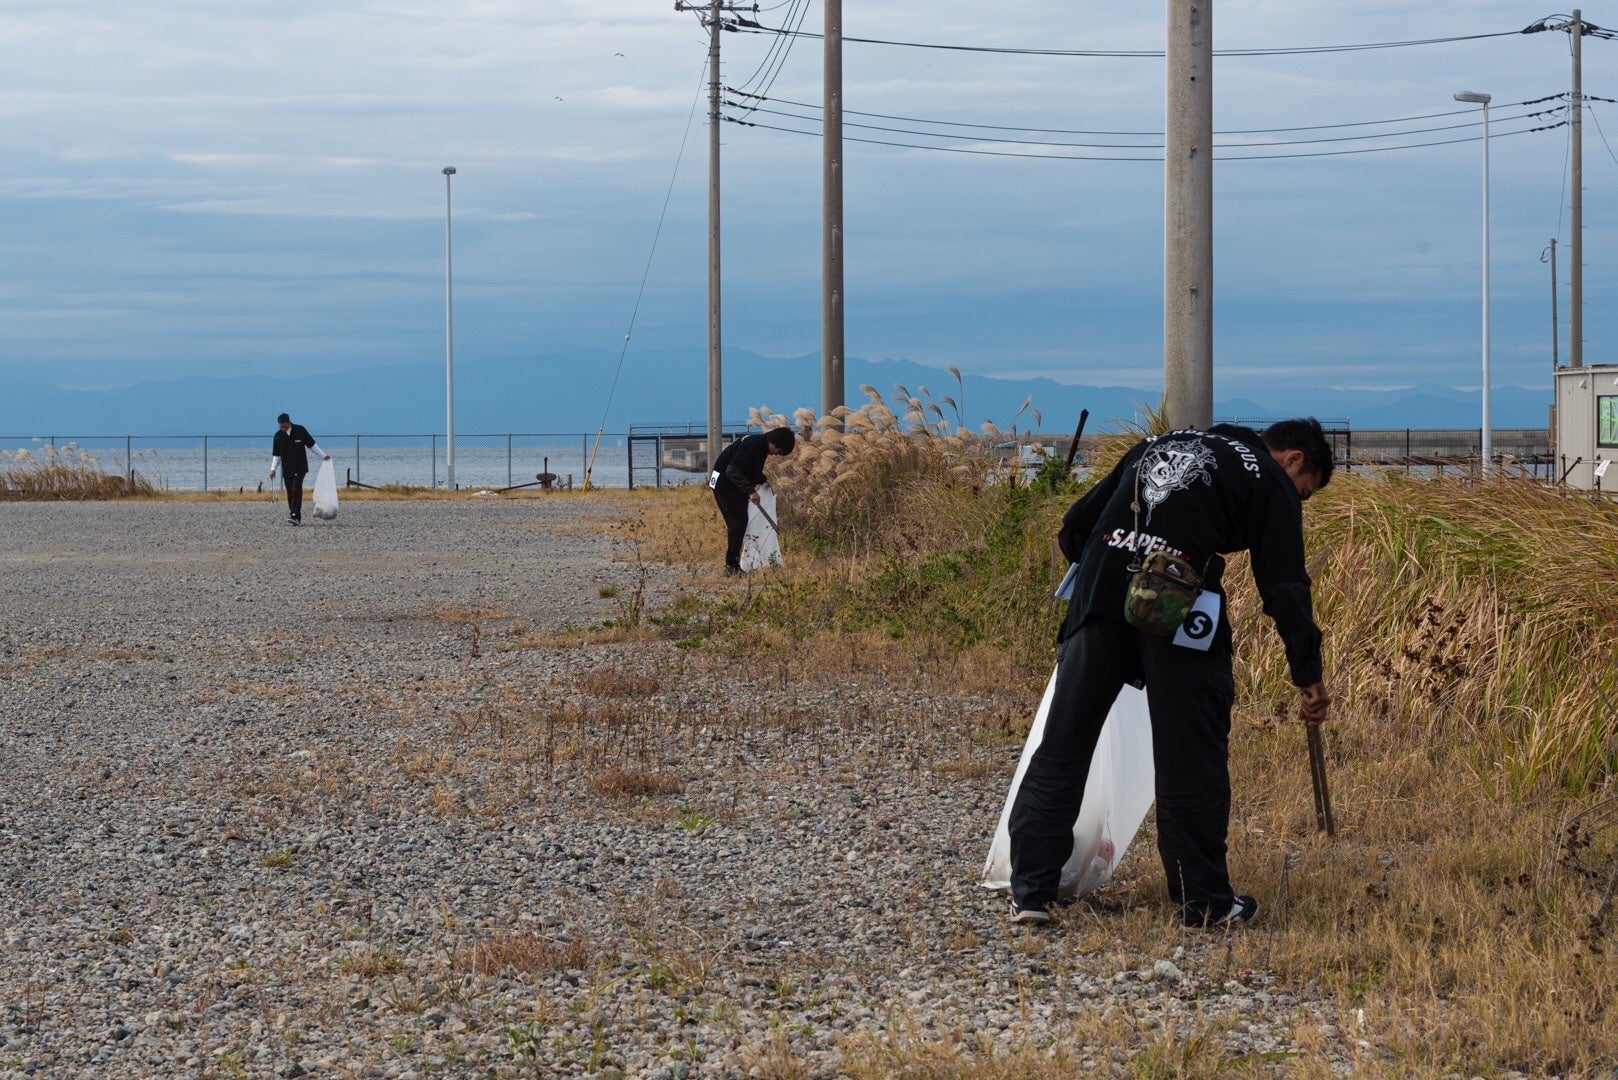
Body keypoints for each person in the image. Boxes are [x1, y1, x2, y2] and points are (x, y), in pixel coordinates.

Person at [1007, 418, 1334, 928]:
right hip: (1178, 607)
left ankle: (1031, 891)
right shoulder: (1269, 480)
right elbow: (1284, 585)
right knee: (1190, 756)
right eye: (1305, 491)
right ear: (1293, 460)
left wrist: (1116, 560)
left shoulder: (1160, 441)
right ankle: (1203, 901)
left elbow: (1074, 526)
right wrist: (1307, 673)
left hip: (1098, 597)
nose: (1299, 499)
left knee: (1064, 744)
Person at [708, 427, 796, 574]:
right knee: (737, 523)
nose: (775, 455)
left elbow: (752, 470)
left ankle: (734, 564)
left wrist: (766, 483)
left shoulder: (760, 444)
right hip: (723, 484)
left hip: (727, 482)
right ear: (775, 444)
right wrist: (751, 491)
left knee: (739, 522)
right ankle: (731, 566)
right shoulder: (754, 445)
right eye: (778, 452)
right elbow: (732, 470)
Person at [268, 413, 330, 526]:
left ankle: (294, 515)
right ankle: (296, 516)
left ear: (289, 422)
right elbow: (277, 456)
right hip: (287, 469)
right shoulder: (278, 436)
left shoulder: (300, 430)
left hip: (300, 467)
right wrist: (273, 469)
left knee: (296, 489)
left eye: (284, 426)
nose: (283, 428)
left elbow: (312, 445)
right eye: (280, 426)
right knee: (290, 493)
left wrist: (323, 456)